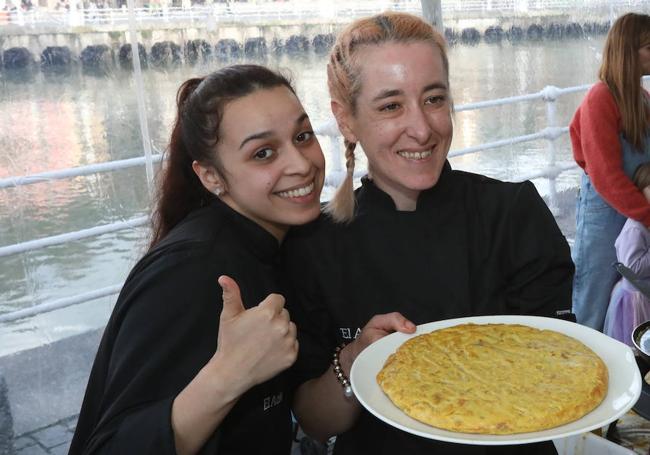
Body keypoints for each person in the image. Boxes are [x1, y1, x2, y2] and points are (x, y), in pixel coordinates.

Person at [282, 11, 574, 455]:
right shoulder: (312, 244)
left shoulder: (515, 215)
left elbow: (559, 374)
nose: (422, 128)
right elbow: (317, 422)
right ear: (346, 121)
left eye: (434, 99)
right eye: (390, 106)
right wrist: (353, 359)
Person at [69, 64, 326, 455]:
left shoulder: (280, 241)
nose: (301, 163)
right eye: (264, 152)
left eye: (302, 136)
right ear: (210, 177)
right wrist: (229, 375)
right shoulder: (190, 269)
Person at [570, 12, 650, 331]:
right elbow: (605, 176)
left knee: (632, 297)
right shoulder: (599, 99)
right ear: (629, 50)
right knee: (594, 297)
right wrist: (647, 216)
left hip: (635, 215)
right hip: (604, 216)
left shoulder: (643, 100)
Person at [604, 162, 650, 347]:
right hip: (634, 300)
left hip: (645, 294)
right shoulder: (635, 228)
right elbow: (632, 268)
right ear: (639, 192)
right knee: (633, 344)